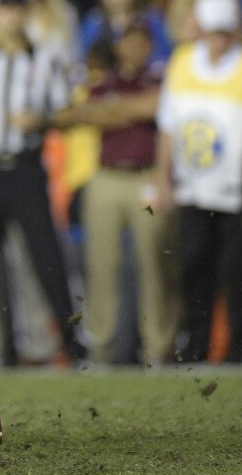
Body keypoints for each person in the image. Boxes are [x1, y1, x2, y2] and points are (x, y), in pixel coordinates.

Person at [153, 0, 242, 363]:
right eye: (212, 32)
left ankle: (237, 350)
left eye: (224, 32)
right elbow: (167, 126)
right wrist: (163, 178)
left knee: (238, 267)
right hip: (192, 184)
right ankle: (195, 347)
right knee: (193, 264)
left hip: (237, 182)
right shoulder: (182, 62)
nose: (218, 40)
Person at [0, 0, 86, 364]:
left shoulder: (45, 60)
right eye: (5, 9)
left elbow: (67, 112)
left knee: (47, 258)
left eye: (17, 9)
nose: (11, 17)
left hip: (26, 167)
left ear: (26, 14)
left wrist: (40, 121)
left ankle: (72, 344)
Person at [53, 20, 178, 364]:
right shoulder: (104, 81)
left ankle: (157, 346)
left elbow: (157, 106)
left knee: (154, 260)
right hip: (106, 176)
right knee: (101, 263)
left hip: (146, 176)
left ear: (150, 46)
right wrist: (130, 110)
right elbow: (72, 115)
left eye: (140, 40)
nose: (134, 47)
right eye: (128, 40)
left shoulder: (158, 78)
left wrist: (110, 109)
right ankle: (102, 346)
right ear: (118, 46)